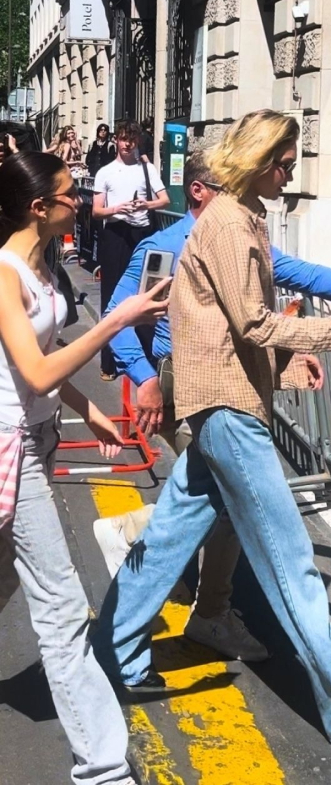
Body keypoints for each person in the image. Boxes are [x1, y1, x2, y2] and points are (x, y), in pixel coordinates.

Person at [92, 110, 331, 752]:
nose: (290, 174)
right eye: (285, 163)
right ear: (260, 160)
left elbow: (230, 326)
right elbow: (256, 326)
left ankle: (111, 649)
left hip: (217, 405)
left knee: (166, 538)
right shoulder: (230, 227)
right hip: (230, 413)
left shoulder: (233, 223)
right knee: (290, 562)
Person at [0, 150, 170, 784]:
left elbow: (39, 361)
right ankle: (103, 769)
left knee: (6, 583)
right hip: (12, 447)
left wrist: (86, 411)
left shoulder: (40, 266)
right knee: (63, 609)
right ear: (38, 208)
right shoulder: (5, 272)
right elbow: (38, 370)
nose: (84, 199)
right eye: (72, 193)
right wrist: (121, 318)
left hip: (38, 434)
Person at [92, 118, 170, 380]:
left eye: (132, 139)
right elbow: (96, 211)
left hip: (143, 234)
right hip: (115, 234)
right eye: (124, 138)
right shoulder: (105, 172)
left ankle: (148, 357)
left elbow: (164, 200)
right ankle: (109, 362)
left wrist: (145, 205)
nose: (127, 143)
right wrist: (117, 208)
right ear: (116, 140)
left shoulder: (147, 170)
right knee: (112, 295)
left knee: (148, 292)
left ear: (137, 141)